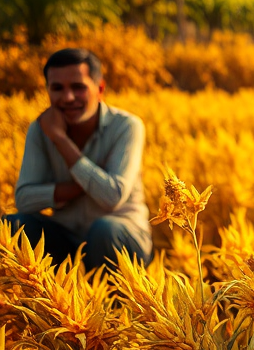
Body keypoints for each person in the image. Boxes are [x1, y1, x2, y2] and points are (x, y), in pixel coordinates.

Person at [5, 48, 152, 271]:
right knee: (10, 226)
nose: (68, 98)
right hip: (67, 237)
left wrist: (61, 140)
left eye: (78, 87)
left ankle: (111, 305)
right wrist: (83, 185)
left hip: (122, 236)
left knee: (103, 230)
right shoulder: (40, 129)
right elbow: (24, 199)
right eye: (57, 88)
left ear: (100, 89)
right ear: (47, 91)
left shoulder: (127, 126)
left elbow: (112, 197)